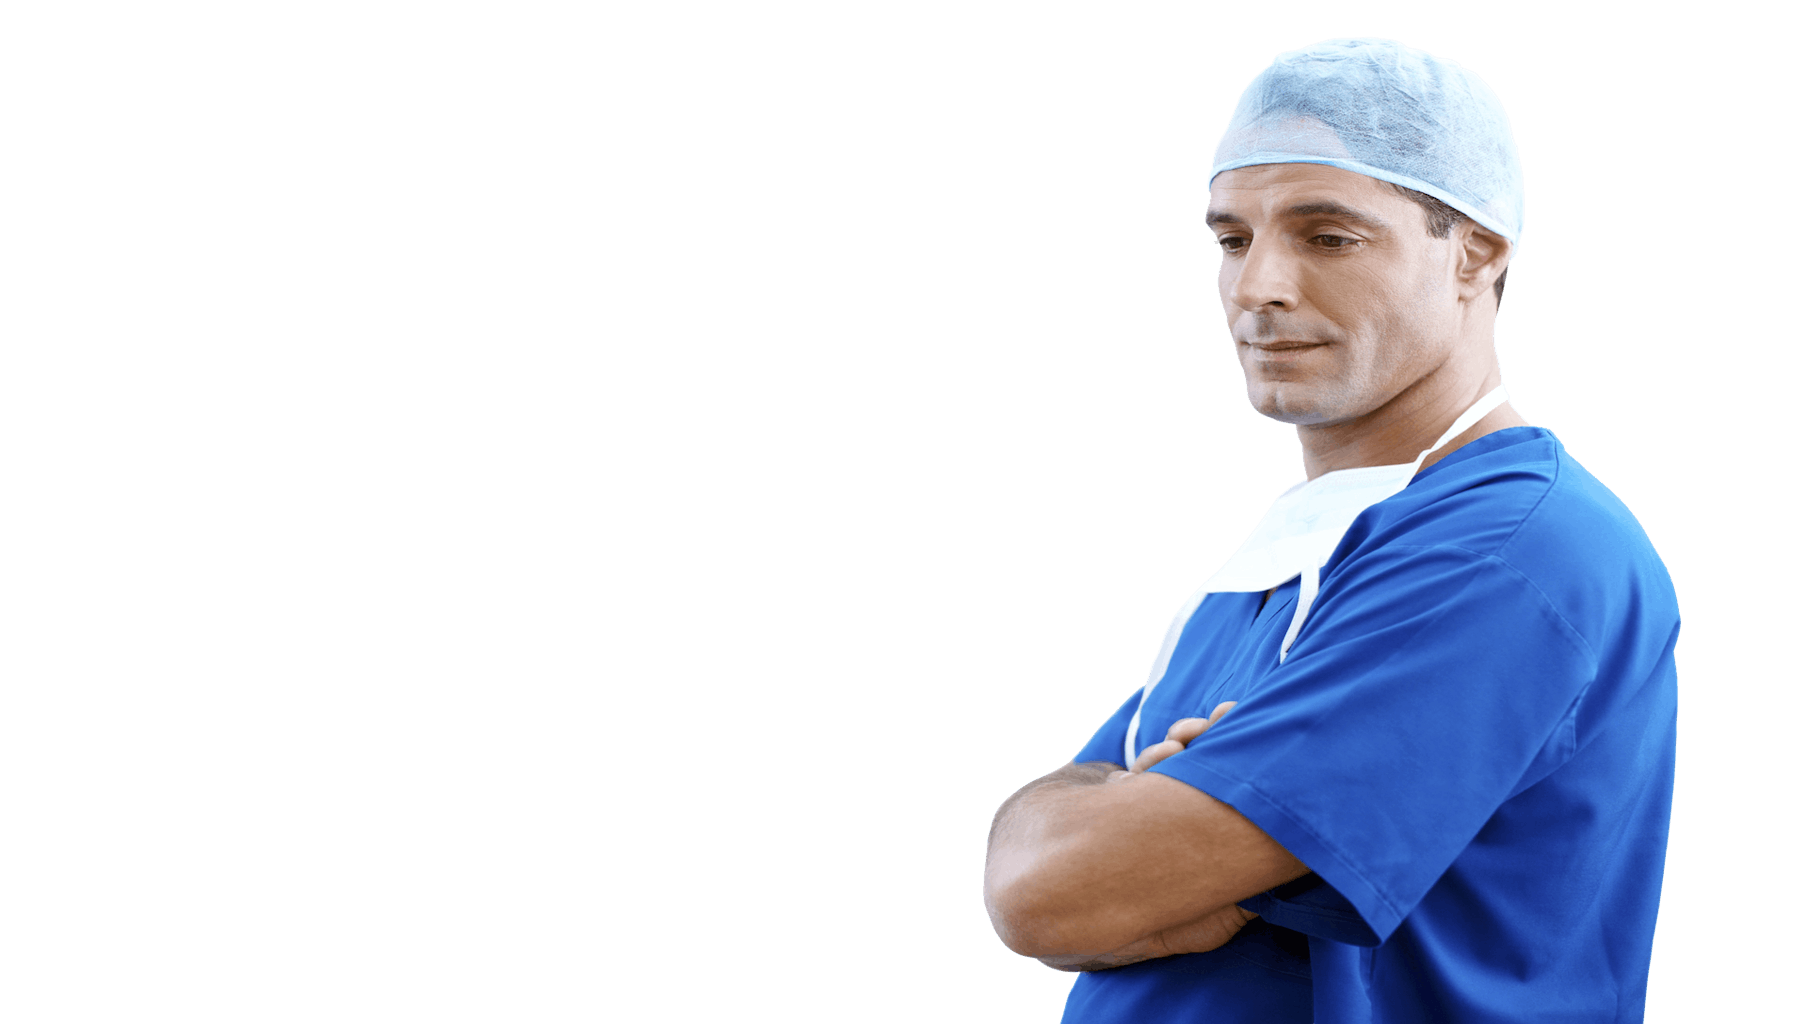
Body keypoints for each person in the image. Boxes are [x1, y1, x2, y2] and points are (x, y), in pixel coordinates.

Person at [981, 38, 1678, 1023]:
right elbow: (1027, 862)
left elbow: (1059, 895)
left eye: (1328, 237)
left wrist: (1136, 850)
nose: (1257, 287)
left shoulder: (1508, 552)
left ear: (1476, 251)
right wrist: (1114, 837)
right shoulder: (1303, 553)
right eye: (1232, 239)